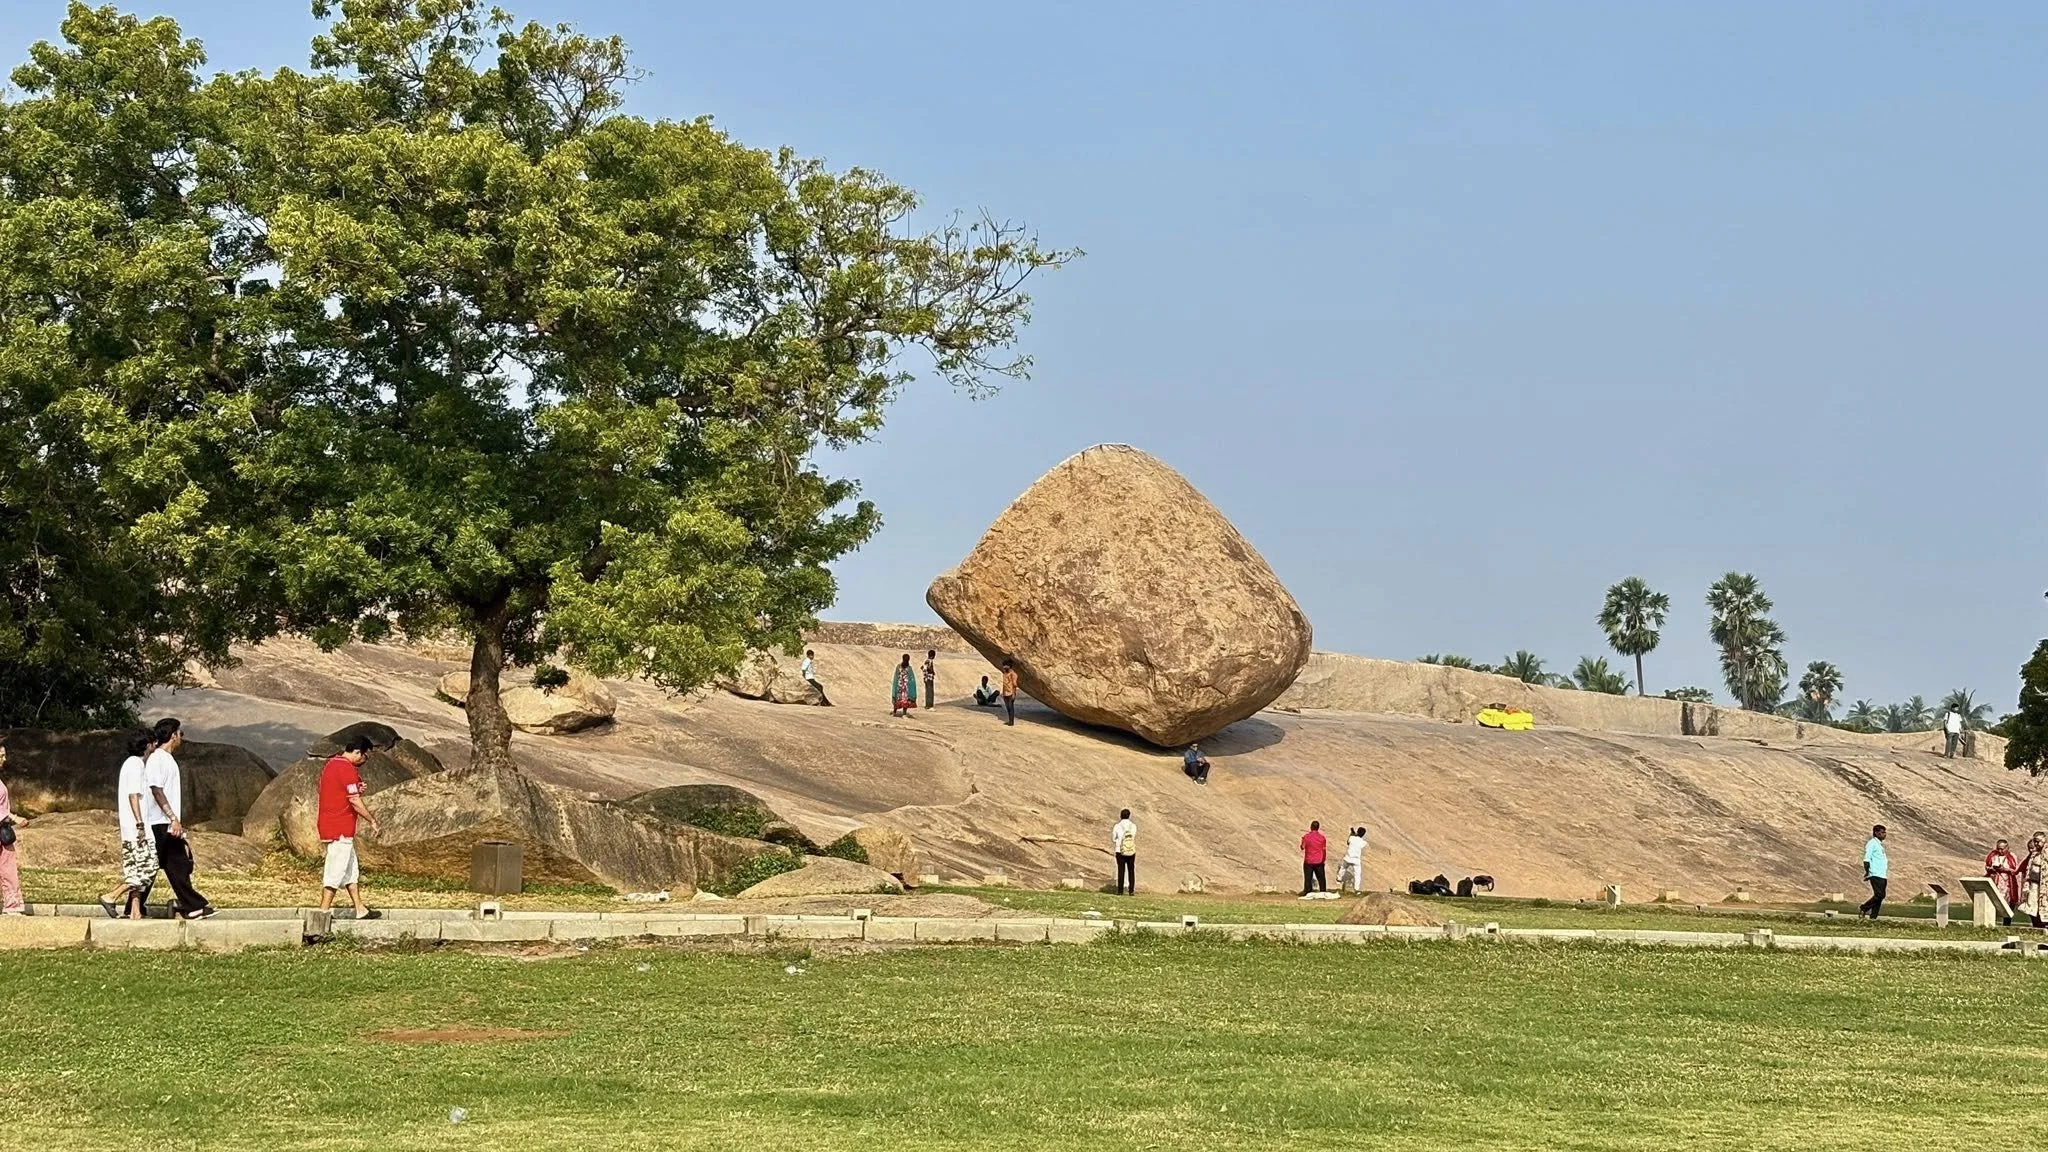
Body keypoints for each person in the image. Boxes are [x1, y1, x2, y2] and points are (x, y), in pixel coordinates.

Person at [144, 718, 214, 920]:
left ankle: (136, 906)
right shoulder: (157, 759)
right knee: (174, 864)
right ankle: (193, 906)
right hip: (160, 822)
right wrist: (172, 818)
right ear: (173, 735)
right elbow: (156, 790)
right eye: (180, 734)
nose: (181, 738)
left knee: (169, 865)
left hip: (165, 821)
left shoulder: (166, 759)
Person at [317, 734, 382, 919]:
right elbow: (354, 800)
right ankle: (323, 912)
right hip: (340, 826)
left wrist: (356, 788)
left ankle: (360, 908)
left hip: (335, 824)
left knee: (350, 869)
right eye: (365, 756)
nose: (364, 760)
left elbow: (342, 790)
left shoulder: (332, 764)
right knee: (335, 869)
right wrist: (372, 820)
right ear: (357, 752)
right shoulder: (346, 768)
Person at [100, 732, 158, 920]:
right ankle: (112, 895)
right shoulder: (135, 764)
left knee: (136, 867)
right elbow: (134, 795)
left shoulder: (131, 764)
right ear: (147, 745)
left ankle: (135, 911)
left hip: (132, 826)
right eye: (152, 743)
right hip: (136, 827)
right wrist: (140, 824)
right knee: (149, 866)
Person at [0, 737, 24, 915]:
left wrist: (13, 817)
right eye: (1, 755)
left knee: (8, 867)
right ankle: (12, 903)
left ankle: (13, 902)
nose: (4, 759)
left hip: (3, 830)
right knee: (7, 867)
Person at [1986, 838, 2022, 926]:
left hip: (2007, 883)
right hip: (1995, 881)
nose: (2000, 851)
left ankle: (2007, 924)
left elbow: (2014, 869)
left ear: (2007, 848)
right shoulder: (1993, 856)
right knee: (1994, 901)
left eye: (2002, 849)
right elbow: (1987, 865)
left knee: (2008, 903)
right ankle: (1990, 923)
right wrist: (1991, 869)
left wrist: (2004, 869)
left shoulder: (2012, 856)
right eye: (1998, 848)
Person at [1858, 824, 1888, 920]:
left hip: (1882, 874)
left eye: (1885, 832)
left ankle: (1873, 917)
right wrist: (1868, 871)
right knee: (1880, 894)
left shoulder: (1879, 844)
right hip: (1875, 873)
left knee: (1880, 897)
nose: (1884, 834)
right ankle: (1864, 907)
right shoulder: (1872, 843)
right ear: (1876, 833)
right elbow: (1866, 859)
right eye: (1882, 832)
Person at [2021, 833, 2048, 930]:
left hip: (2044, 884)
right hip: (2034, 883)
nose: (2036, 844)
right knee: (2031, 903)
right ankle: (2036, 924)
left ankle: (2044, 924)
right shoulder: (2034, 854)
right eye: (2035, 841)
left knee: (2044, 904)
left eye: (2038, 841)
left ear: (2044, 841)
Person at [1110, 809, 1137, 895]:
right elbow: (1133, 837)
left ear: (1120, 816)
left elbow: (1114, 839)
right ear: (1129, 815)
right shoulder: (1133, 826)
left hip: (1120, 850)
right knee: (1131, 870)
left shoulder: (1117, 826)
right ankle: (1131, 890)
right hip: (1131, 850)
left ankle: (1120, 890)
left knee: (1121, 870)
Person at [1336, 825, 1368, 894]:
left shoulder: (1352, 838)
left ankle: (1339, 879)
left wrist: (1352, 834)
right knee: (1357, 874)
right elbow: (1361, 845)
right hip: (1356, 860)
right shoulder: (1363, 842)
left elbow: (1348, 842)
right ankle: (1357, 889)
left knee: (1343, 868)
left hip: (1348, 857)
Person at [1300, 820, 1328, 896]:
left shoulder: (1306, 837)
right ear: (1318, 828)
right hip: (1319, 860)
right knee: (1321, 878)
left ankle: (1308, 891)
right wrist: (1323, 859)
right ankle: (1323, 891)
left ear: (1311, 827)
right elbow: (1324, 849)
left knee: (1308, 877)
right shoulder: (1322, 838)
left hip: (1309, 860)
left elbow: (1302, 847)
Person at [1000, 660, 1019, 726]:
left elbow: (1014, 685)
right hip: (1006, 693)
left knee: (1010, 707)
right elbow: (1004, 684)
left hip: (1011, 693)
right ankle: (1010, 720)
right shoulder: (1005, 674)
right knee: (1008, 707)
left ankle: (1011, 721)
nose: (1004, 667)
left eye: (1005, 666)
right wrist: (1003, 693)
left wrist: (1014, 693)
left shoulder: (1013, 674)